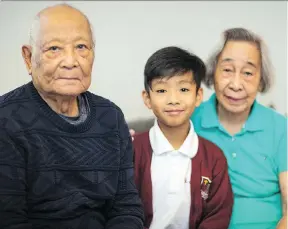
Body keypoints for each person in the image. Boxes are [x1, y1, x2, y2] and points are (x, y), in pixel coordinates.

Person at [0, 4, 144, 229]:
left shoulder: (111, 117)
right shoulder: (6, 119)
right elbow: (9, 221)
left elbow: (126, 207)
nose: (70, 61)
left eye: (81, 47)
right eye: (54, 48)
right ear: (28, 58)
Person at [191, 28, 287, 229]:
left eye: (248, 73)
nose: (236, 84)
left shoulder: (281, 128)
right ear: (213, 72)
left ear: (261, 79)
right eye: (227, 70)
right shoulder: (190, 122)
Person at [133, 46, 234, 229]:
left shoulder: (213, 157)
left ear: (198, 96)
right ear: (147, 98)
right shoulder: (131, 150)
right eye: (162, 91)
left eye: (184, 89)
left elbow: (218, 215)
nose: (174, 99)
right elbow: (120, 209)